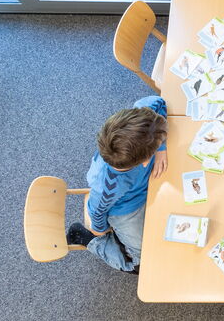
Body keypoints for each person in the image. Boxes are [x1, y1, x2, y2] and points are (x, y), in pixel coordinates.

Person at [65, 96, 168, 273]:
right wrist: (100, 231)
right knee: (144, 264)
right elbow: (96, 211)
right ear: (145, 161)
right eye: (157, 143)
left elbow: (159, 102)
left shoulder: (141, 117)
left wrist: (161, 148)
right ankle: (89, 241)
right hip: (126, 209)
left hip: (143, 184)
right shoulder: (108, 188)